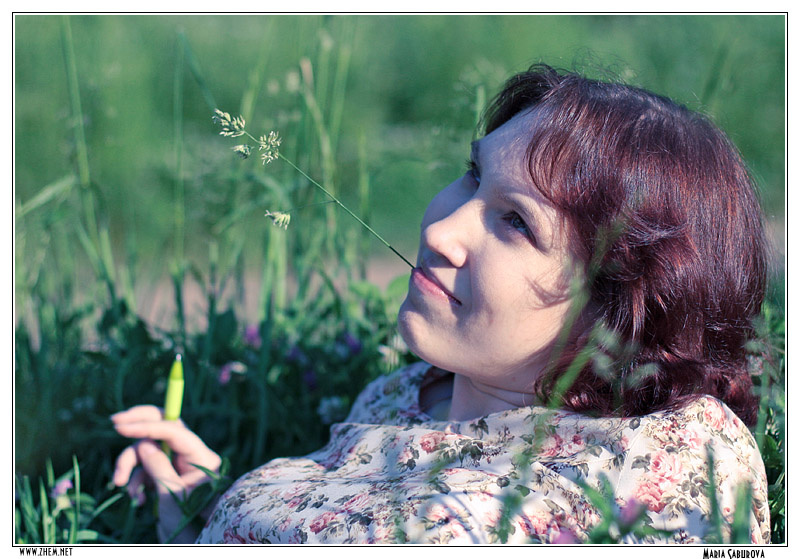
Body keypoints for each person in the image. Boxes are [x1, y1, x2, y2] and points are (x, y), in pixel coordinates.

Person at [112, 63, 772, 544]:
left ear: (619, 304)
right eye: (473, 175)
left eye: (516, 222)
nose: (439, 231)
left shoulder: (670, 455)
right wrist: (202, 511)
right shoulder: (401, 396)